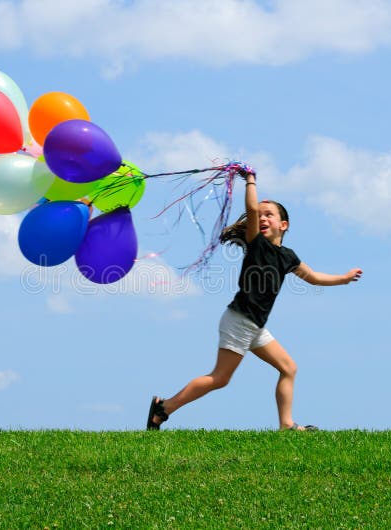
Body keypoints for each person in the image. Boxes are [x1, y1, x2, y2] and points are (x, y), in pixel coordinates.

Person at [147, 169, 363, 431]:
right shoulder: (256, 243)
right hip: (240, 321)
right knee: (220, 378)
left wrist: (343, 278)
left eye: (269, 214)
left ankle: (286, 425)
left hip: (255, 326)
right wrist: (250, 180)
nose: (262, 218)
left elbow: (314, 277)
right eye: (259, 215)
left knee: (288, 368)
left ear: (284, 225)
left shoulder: (287, 256)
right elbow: (250, 209)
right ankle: (163, 408)